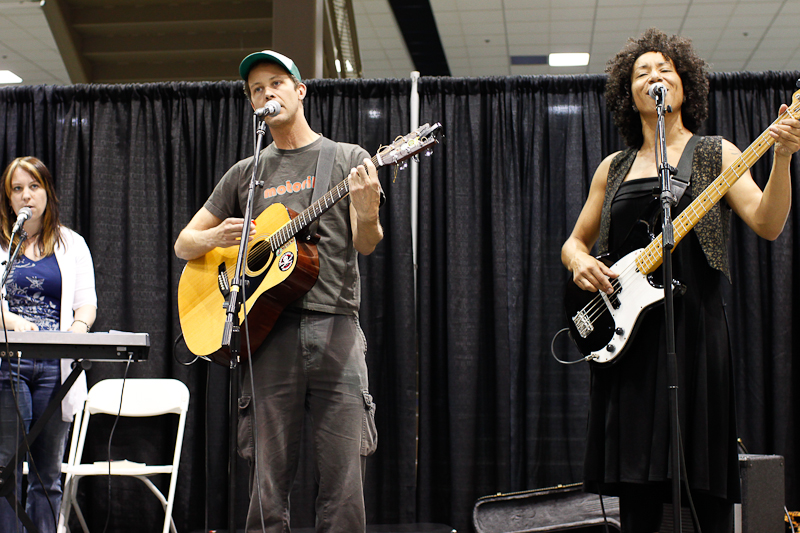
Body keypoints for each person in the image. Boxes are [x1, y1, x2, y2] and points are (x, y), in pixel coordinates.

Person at [561, 28, 800, 533]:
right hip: (628, 344)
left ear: (685, 85)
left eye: (665, 69)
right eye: (642, 71)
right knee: (639, 503)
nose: (654, 76)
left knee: (703, 490)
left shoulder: (718, 153)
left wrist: (781, 156)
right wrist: (578, 262)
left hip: (696, 337)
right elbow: (574, 242)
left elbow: (768, 222)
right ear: (628, 94)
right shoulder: (614, 167)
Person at [174, 50, 382, 532]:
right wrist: (218, 238)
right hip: (266, 336)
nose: (267, 93)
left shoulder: (347, 159)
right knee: (267, 486)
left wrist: (368, 211)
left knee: (345, 482)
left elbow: (366, 243)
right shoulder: (246, 173)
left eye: (276, 83)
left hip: (336, 328)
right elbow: (185, 243)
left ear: (299, 90)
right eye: (256, 90)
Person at [0, 156, 97, 531]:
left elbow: (86, 302)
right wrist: (8, 320)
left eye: (34, 186)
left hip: (56, 365)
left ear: (48, 192)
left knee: (46, 473)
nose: (27, 196)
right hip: (10, 363)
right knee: (6, 467)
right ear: (8, 200)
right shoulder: (3, 244)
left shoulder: (72, 243)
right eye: (17, 189)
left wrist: (77, 327)